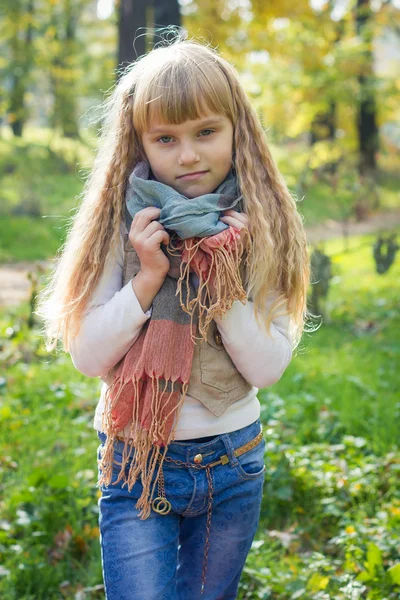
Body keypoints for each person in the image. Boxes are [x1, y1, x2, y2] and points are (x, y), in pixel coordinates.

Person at [36, 36, 310, 600]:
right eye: (166, 139)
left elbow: (267, 369)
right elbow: (89, 357)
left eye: (205, 132)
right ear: (138, 145)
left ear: (238, 130)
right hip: (136, 460)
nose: (187, 155)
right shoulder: (121, 228)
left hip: (233, 461)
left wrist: (219, 280)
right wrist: (148, 278)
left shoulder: (262, 228)